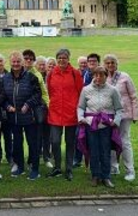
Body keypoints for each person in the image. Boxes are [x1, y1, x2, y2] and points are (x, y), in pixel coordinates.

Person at [77, 66, 123, 188]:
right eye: (96, 75)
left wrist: (116, 121)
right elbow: (80, 107)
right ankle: (95, 176)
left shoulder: (113, 90)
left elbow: (119, 109)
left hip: (106, 125)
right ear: (93, 76)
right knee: (93, 150)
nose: (98, 78)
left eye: (101, 75)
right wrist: (81, 118)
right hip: (91, 125)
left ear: (106, 76)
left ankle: (106, 177)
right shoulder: (86, 90)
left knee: (105, 150)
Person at [2, 51, 42, 180]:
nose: (16, 64)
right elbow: (2, 96)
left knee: (32, 143)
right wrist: (7, 106)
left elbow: (37, 95)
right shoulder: (5, 78)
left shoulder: (31, 77)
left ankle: (35, 169)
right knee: (17, 144)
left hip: (29, 117)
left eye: (18, 61)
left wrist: (28, 104)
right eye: (13, 61)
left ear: (22, 62)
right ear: (10, 62)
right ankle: (20, 167)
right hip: (13, 117)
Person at [46, 48, 83, 181]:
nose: (62, 60)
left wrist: (76, 108)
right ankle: (57, 167)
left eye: (64, 57)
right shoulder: (51, 74)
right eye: (59, 57)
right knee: (55, 141)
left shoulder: (75, 73)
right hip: (55, 113)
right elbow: (50, 92)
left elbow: (80, 92)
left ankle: (68, 169)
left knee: (70, 142)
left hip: (71, 113)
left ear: (68, 59)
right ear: (57, 59)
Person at [104, 54, 138, 182]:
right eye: (107, 63)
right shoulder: (103, 77)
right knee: (111, 141)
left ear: (116, 64)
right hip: (110, 115)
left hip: (125, 114)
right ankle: (114, 167)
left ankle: (130, 170)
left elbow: (134, 96)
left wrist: (136, 114)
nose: (110, 65)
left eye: (112, 63)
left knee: (125, 141)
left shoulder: (125, 77)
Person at [23, 50, 52, 170]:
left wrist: (48, 106)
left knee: (44, 136)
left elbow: (44, 93)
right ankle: (32, 160)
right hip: (27, 110)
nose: (28, 60)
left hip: (40, 109)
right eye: (26, 58)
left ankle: (45, 158)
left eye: (31, 59)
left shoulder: (37, 74)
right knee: (32, 138)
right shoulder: (20, 73)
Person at [73, 53, 101, 168]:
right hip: (84, 109)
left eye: (94, 61)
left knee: (96, 136)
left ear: (98, 62)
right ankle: (77, 158)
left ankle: (95, 160)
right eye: (90, 61)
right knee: (79, 134)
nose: (91, 63)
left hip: (98, 110)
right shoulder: (83, 74)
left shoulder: (101, 74)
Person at [0, 54, 13, 166]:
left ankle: (10, 156)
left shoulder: (9, 75)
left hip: (7, 110)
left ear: (4, 62)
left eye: (1, 61)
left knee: (8, 136)